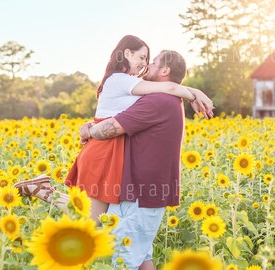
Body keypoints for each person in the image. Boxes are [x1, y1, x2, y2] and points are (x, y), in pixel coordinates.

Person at [13, 35, 213, 226]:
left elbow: (166, 87)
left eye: (148, 59)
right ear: (127, 54)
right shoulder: (121, 79)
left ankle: (43, 188)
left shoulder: (128, 81)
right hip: (104, 150)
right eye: (142, 57)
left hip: (111, 149)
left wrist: (193, 93)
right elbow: (169, 88)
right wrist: (194, 94)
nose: (145, 63)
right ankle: (41, 190)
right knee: (93, 219)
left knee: (99, 215)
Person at [81, 49, 195, 270]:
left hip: (140, 197)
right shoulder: (169, 99)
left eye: (153, 62)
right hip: (143, 196)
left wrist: (88, 130)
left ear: (165, 70)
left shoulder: (158, 101)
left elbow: (111, 128)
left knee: (123, 262)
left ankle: (42, 191)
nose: (148, 65)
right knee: (142, 260)